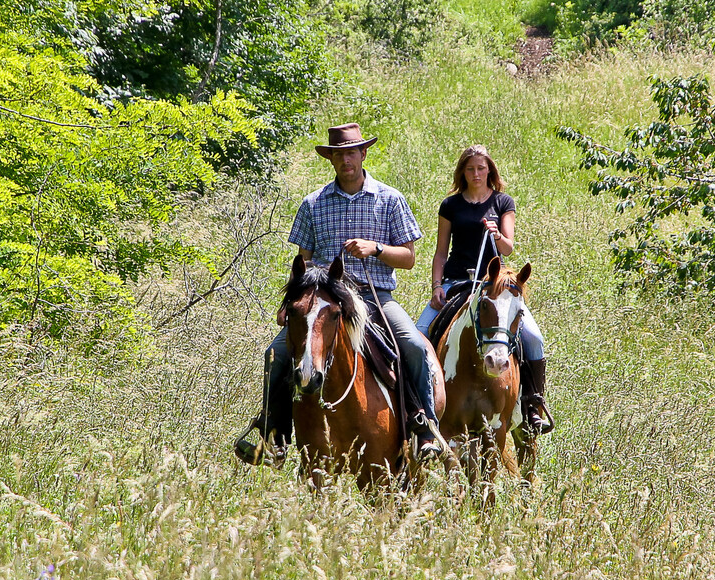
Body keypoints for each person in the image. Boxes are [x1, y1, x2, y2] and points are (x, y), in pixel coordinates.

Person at [236, 123, 444, 465]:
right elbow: (302, 263)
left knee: (414, 345)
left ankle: (424, 429)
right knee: (275, 354)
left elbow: (408, 258)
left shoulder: (390, 199)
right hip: (322, 302)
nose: (345, 160)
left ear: (363, 154)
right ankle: (273, 435)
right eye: (338, 155)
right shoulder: (312, 203)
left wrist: (376, 248)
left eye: (351, 153)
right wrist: (290, 304)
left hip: (375, 298)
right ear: (331, 159)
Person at [415, 144, 554, 434]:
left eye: (481, 168)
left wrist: (497, 234)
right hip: (456, 283)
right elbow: (440, 253)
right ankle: (419, 407)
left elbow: (508, 247)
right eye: (470, 169)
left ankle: (532, 405)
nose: (476, 174)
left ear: (489, 170)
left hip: (494, 287)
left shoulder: (503, 202)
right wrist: (437, 286)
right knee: (420, 333)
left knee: (533, 338)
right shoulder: (450, 205)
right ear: (462, 172)